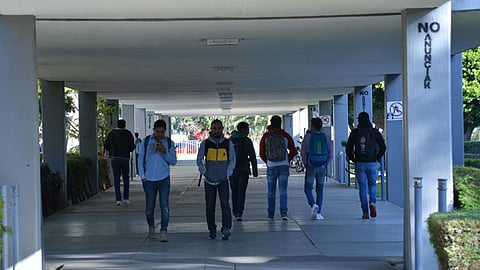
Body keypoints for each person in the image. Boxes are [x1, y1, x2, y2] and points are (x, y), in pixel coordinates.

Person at [138, 119, 177, 241]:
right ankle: (151, 227)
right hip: (149, 180)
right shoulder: (146, 142)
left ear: (165, 132)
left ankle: (163, 230)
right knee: (150, 206)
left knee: (164, 205)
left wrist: (165, 152)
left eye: (162, 132)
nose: (159, 134)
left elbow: (173, 161)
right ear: (153, 130)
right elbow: (140, 160)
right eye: (157, 131)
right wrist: (143, 177)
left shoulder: (169, 143)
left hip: (163, 179)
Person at [196, 119, 236, 240]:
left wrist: (227, 173)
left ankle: (226, 228)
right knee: (210, 206)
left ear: (222, 129)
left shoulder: (228, 144)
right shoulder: (205, 144)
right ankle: (212, 230)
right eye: (214, 128)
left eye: (219, 128)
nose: (217, 130)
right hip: (209, 181)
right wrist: (204, 172)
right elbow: (199, 160)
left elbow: (232, 161)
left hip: (223, 180)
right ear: (211, 129)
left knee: (225, 205)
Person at [346, 112, 386, 219]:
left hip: (360, 163)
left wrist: (352, 158)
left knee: (363, 188)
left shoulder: (355, 132)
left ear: (359, 120)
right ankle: (372, 202)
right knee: (372, 185)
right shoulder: (374, 132)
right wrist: (377, 157)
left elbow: (348, 148)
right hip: (372, 163)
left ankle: (365, 212)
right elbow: (383, 147)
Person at [259, 115, 297, 221]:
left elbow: (261, 153)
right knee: (283, 190)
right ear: (280, 123)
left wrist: (268, 161)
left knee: (271, 191)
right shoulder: (285, 135)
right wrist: (286, 159)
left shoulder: (266, 136)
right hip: (283, 166)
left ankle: (271, 214)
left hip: (271, 166)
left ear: (271, 123)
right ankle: (283, 213)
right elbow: (293, 151)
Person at [300, 118, 333, 220]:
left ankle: (313, 204)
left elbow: (303, 152)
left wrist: (306, 164)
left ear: (312, 126)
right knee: (320, 189)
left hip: (311, 165)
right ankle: (318, 212)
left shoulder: (307, 137)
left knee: (307, 188)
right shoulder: (326, 137)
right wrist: (326, 164)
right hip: (322, 166)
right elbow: (330, 153)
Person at [229, 121, 258, 221]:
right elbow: (253, 156)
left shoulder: (230, 140)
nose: (248, 131)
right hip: (244, 169)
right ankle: (239, 213)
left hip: (232, 170)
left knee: (234, 191)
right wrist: (255, 171)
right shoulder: (246, 141)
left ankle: (234, 210)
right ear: (243, 129)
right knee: (242, 191)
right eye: (247, 129)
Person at [104, 119, 135, 206]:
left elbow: (106, 145)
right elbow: (132, 147)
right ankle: (126, 198)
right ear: (124, 125)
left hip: (114, 158)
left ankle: (118, 200)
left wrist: (112, 151)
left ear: (117, 125)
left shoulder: (111, 134)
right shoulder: (128, 134)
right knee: (126, 178)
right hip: (125, 158)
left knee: (117, 179)